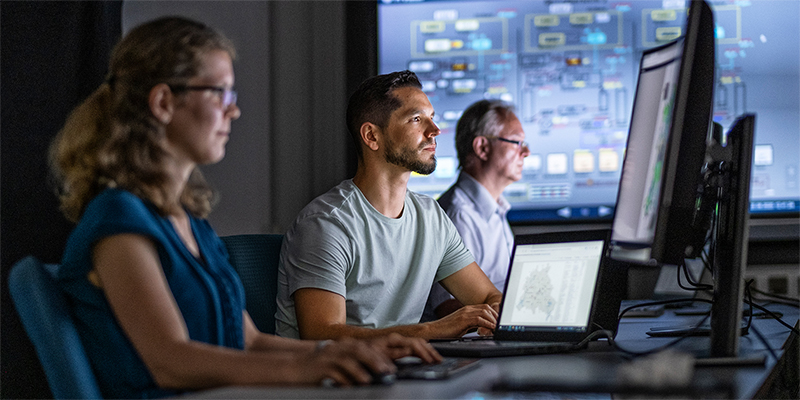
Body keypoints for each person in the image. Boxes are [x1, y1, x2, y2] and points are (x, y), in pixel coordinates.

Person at [49, 17, 437, 399]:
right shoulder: (118, 220)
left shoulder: (189, 221)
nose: (233, 111)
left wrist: (353, 352)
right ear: (164, 101)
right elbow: (169, 362)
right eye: (221, 94)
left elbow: (248, 341)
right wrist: (305, 369)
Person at [275, 70, 503, 341]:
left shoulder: (431, 217)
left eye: (432, 118)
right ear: (371, 136)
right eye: (417, 119)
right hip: (332, 379)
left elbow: (489, 296)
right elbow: (322, 334)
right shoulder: (326, 223)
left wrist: (498, 313)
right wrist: (431, 330)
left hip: (401, 371)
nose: (434, 131)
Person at [422, 100, 530, 321]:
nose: (526, 152)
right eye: (517, 142)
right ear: (482, 147)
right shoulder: (458, 216)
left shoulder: (494, 209)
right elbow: (449, 308)